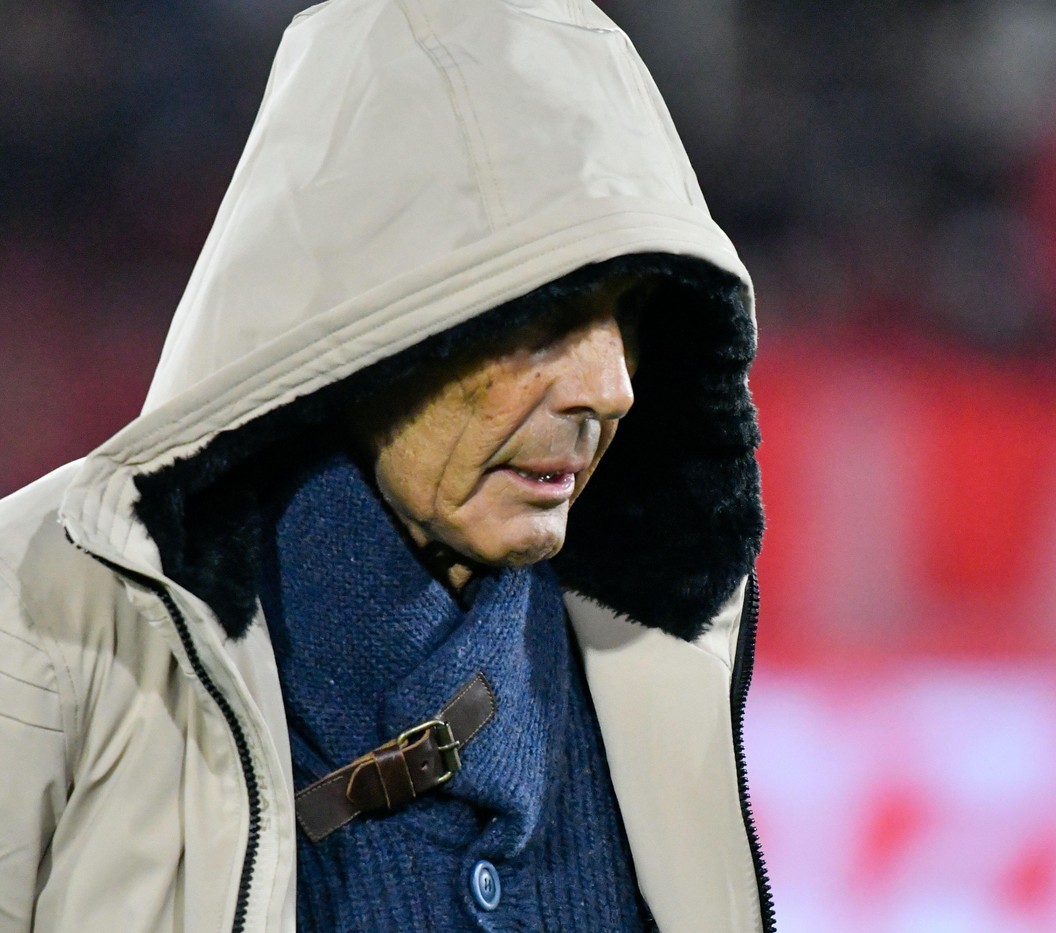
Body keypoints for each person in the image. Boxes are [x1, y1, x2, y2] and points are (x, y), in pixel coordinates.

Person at [0, 0, 771, 930]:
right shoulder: (37, 622)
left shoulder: (654, 653)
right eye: (547, 315)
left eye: (632, 317)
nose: (610, 387)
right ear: (373, 324)